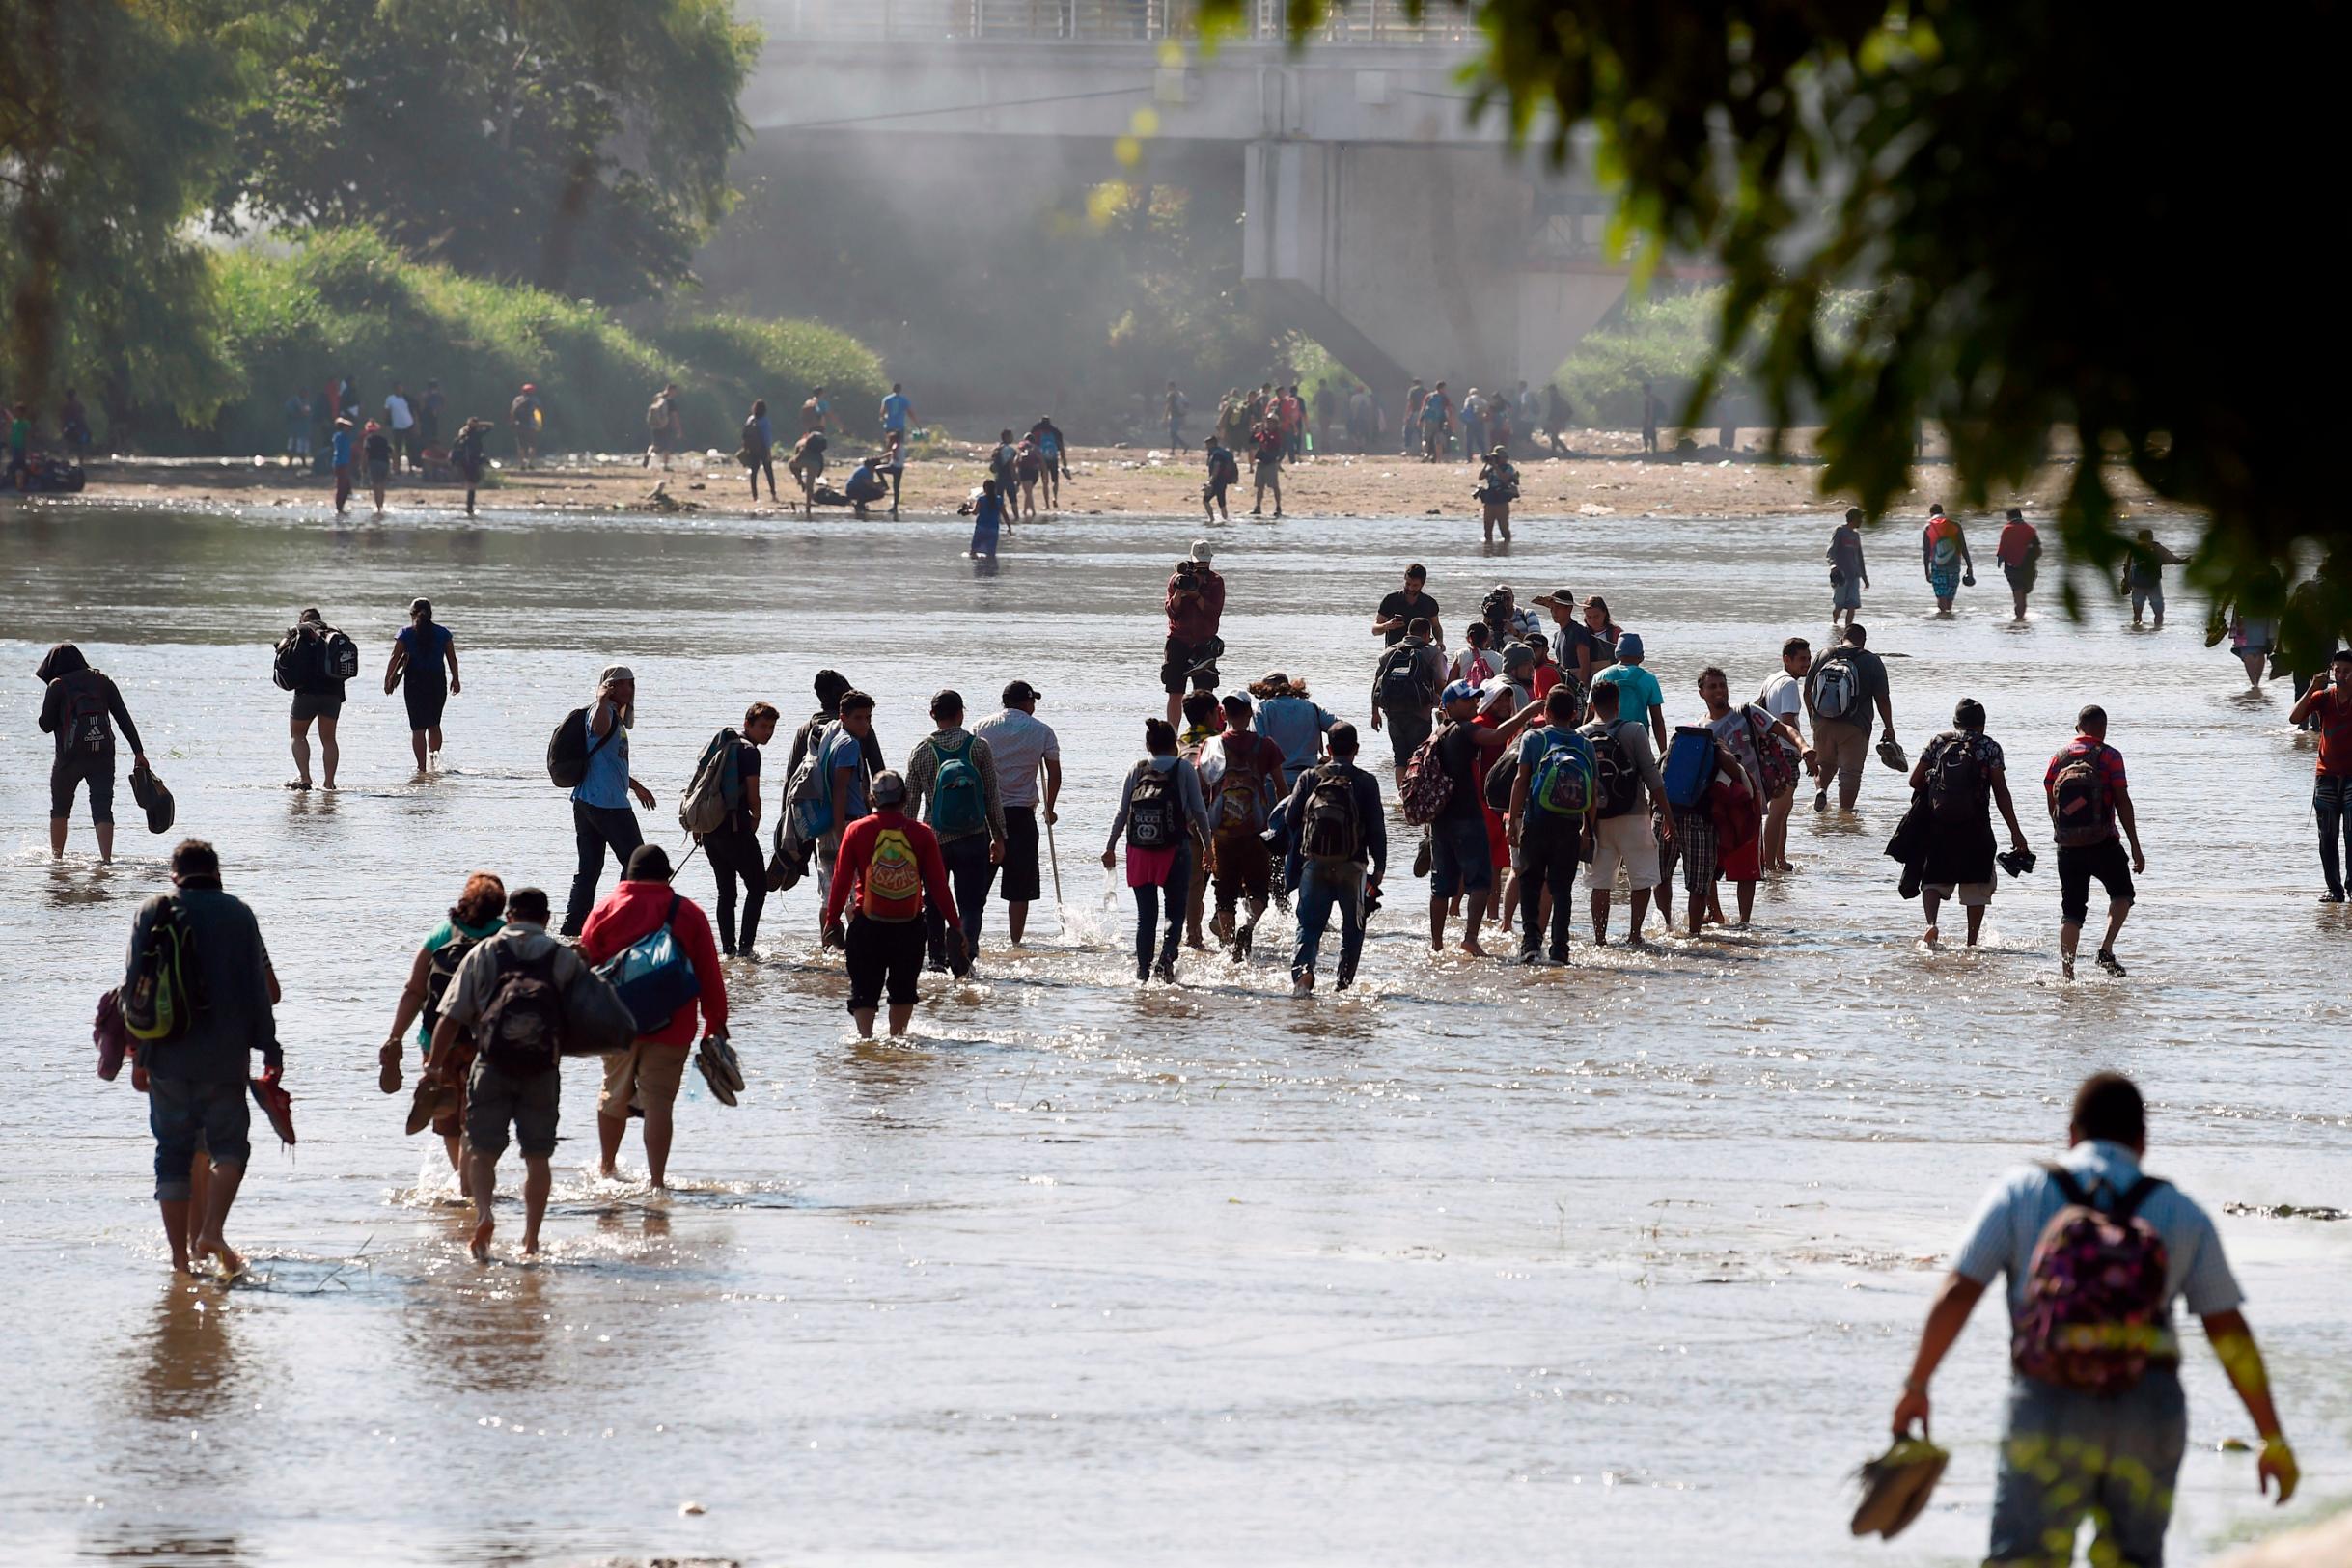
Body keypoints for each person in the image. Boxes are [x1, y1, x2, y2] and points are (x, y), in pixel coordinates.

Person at [1889, 1073, 2299, 1567]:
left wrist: (1917, 1384)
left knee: (2025, 1559)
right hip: (2147, 1409)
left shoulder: (2022, 1191)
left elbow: (1959, 1291)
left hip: (2049, 1401)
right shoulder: (2180, 1211)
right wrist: (2271, 1436)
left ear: (2072, 1134)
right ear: (2142, 1141)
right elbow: (2228, 1330)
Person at [128, 839, 282, 1277]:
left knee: (172, 1153)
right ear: (216, 872)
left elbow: (135, 988)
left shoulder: (152, 911)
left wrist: (137, 1053)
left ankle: (181, 1263)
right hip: (225, 1057)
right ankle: (211, 1230)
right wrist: (270, 1049)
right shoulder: (238, 913)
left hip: (165, 1056)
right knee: (230, 1147)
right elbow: (261, 991)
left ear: (173, 873)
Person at [422, 885, 584, 1260]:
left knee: (481, 1149)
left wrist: (433, 1067)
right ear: (546, 919)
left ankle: (484, 1214)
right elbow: (590, 1015)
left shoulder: (485, 952)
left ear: (508, 917)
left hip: (491, 1063)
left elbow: (450, 1016)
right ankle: (531, 1240)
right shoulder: (561, 957)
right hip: (542, 1068)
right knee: (538, 1156)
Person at [577, 845, 729, 1189]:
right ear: (668, 875)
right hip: (672, 1026)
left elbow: (587, 967)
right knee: (659, 1103)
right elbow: (708, 973)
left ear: (629, 875)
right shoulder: (688, 912)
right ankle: (657, 1182)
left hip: (616, 1026)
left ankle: (607, 1170)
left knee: (612, 1095)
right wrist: (714, 1022)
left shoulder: (605, 908)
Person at [381, 871, 508, 1177]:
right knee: (483, 1113)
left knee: (449, 1117)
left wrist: (395, 1036)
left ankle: (463, 1179)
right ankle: (476, 1178)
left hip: (439, 1041)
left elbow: (414, 990)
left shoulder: (440, 934)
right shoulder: (505, 936)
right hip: (490, 1042)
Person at [822, 770, 961, 1036]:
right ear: (905, 798)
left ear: (871, 798)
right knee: (903, 990)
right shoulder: (922, 834)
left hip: (867, 926)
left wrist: (832, 920)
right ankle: (897, 1040)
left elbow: (840, 883)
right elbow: (939, 887)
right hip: (909, 928)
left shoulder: (856, 830)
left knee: (864, 990)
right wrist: (955, 926)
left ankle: (866, 1041)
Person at [1906, 700, 2031, 947]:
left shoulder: (1938, 742)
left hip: (1940, 821)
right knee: (1976, 883)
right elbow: (2001, 792)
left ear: (1955, 722)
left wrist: (1935, 794)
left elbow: (1914, 780)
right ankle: (1971, 943)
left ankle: (1931, 925)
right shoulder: (1989, 747)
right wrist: (2016, 833)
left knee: (1932, 878)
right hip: (1976, 824)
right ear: (1982, 724)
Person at [1103, 718, 1213, 983]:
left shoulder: (1136, 768)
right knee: (1175, 912)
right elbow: (1198, 810)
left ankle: (1142, 972)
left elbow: (1121, 812)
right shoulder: (1183, 768)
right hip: (1175, 848)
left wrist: (1110, 846)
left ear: (1148, 745)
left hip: (1139, 852)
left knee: (1146, 916)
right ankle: (1165, 960)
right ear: (1174, 745)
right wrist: (1209, 847)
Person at [1699, 666, 1809, 928]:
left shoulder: (1746, 712)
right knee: (1709, 866)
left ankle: (1744, 922)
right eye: (1712, 687)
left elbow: (1783, 729)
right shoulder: (1701, 729)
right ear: (1701, 692)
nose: (1718, 691)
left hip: (1749, 803)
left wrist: (1805, 747)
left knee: (1747, 869)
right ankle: (1715, 914)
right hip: (1716, 806)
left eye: (1722, 685)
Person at [1279, 722, 1385, 994]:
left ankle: (1304, 974)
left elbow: (1290, 818)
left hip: (1315, 863)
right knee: (1352, 929)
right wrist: (1379, 868)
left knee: (1309, 925)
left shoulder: (1310, 777)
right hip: (1353, 865)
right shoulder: (1366, 781)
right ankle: (1343, 985)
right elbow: (1376, 828)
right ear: (1357, 750)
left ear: (1328, 748)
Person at [906, 689, 1007, 973]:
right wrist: (999, 837)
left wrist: (905, 844)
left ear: (932, 715)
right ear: (961, 713)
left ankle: (937, 958)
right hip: (973, 835)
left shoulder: (921, 751)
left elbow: (910, 803)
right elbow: (991, 796)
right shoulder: (979, 747)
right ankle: (966, 952)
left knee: (935, 900)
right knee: (972, 903)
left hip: (932, 838)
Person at [2043, 704, 2144, 979]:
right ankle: (2106, 949)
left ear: (2079, 727)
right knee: (2123, 894)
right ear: (2103, 728)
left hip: (2068, 847)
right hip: (2103, 843)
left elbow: (2051, 797)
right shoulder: (2110, 756)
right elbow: (2122, 800)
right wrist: (2135, 845)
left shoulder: (2059, 757)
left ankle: (2068, 976)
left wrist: (2062, 832)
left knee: (2072, 912)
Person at [561, 666, 657, 937]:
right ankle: (620, 919)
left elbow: (611, 761)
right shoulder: (601, 711)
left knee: (589, 870)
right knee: (639, 861)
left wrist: (636, 786)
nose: (627, 690)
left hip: (588, 801)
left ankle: (572, 930)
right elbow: (597, 728)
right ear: (609, 686)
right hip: (607, 805)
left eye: (630, 685)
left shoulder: (614, 715)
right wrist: (602, 699)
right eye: (621, 685)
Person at [1506, 687, 1597, 964]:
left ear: (1546, 712)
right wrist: (1588, 830)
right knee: (1562, 889)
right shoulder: (1585, 745)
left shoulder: (1534, 738)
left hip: (1536, 822)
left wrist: (1512, 820)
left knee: (1531, 883)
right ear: (1574, 714)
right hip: (1569, 826)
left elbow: (1521, 781)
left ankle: (1531, 944)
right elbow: (1592, 792)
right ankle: (1560, 949)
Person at [37, 642, 147, 863]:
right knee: (102, 806)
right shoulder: (102, 681)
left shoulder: (57, 685)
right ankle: (106, 859)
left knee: (60, 808)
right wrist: (139, 752)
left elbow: (46, 725)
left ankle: (57, 860)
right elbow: (123, 717)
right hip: (103, 755)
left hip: (69, 758)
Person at [1198, 694, 1288, 959]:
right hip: (1256, 831)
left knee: (1224, 894)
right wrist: (1284, 825)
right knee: (1259, 890)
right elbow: (1282, 790)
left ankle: (1228, 951)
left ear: (1223, 715)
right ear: (1250, 714)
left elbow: (1203, 788)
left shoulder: (1211, 745)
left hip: (1222, 834)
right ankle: (1247, 927)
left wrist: (1203, 836)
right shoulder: (1266, 746)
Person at [1582, 679, 1670, 946]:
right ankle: (1634, 935)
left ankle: (1600, 939)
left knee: (1600, 882)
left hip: (1596, 819)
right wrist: (1667, 814)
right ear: (1618, 702)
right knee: (1641, 877)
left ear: (1593, 704)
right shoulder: (1634, 730)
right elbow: (1651, 775)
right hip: (1634, 814)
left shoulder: (1581, 734)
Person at [973, 681, 1062, 945]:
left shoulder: (981, 727)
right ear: (1026, 702)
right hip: (1021, 816)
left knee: (978, 886)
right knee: (1019, 889)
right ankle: (1015, 943)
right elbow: (1054, 774)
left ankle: (971, 937)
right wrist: (1049, 808)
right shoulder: (1042, 731)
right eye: (1033, 701)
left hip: (986, 816)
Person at [703, 702, 779, 959]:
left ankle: (728, 951)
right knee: (758, 886)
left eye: (772, 727)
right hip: (735, 829)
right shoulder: (749, 753)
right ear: (747, 724)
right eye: (763, 726)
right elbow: (754, 795)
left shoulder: (724, 746)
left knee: (726, 890)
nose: (767, 732)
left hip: (710, 829)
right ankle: (745, 949)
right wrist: (756, 817)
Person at [1805, 623, 1896, 812]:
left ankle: (1821, 790)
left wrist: (1813, 718)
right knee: (1850, 773)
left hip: (1822, 722)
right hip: (1855, 726)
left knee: (1825, 764)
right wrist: (1889, 727)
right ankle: (1845, 815)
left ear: (1841, 639)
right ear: (1863, 641)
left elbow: (1807, 691)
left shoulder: (1824, 654)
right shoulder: (1872, 661)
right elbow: (1882, 699)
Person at [2287, 648, 2352, 900]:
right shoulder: (2323, 697)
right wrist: (2311, 687)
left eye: (2347, 671)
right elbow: (2294, 718)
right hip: (2326, 776)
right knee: (2327, 836)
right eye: (2338, 670)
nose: (2341, 675)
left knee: (2351, 834)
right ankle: (2333, 889)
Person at [383, 597, 460, 774]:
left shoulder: (405, 634)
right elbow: (452, 659)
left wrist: (388, 680)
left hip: (414, 683)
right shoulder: (443, 633)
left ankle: (421, 768)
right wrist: (455, 679)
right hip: (437, 682)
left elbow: (394, 658)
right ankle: (434, 762)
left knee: (417, 728)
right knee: (434, 724)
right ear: (431, 614)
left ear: (411, 614)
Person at [1756, 637, 1812, 873]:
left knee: (1784, 810)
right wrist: (1805, 750)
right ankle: (1768, 865)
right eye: (1801, 659)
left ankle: (1779, 859)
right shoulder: (1789, 684)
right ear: (1786, 659)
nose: (1806, 664)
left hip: (1770, 751)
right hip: (1784, 753)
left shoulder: (1772, 679)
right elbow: (1788, 722)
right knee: (1778, 812)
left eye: (1808, 659)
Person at [1371, 616, 1448, 770]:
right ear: (1427, 634)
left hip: (1392, 711)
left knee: (1399, 758)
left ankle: (1401, 793)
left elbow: (1377, 683)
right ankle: (1413, 793)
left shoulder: (1390, 651)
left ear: (1408, 632)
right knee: (1419, 756)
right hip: (1420, 712)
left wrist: (1375, 713)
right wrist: (1447, 709)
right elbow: (1440, 685)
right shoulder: (1432, 653)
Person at [1162, 540, 1226, 726]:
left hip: (1204, 644)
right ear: (1191, 560)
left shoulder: (1215, 582)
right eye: (1199, 562)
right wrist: (1180, 594)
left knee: (1205, 695)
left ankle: (1204, 737)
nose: (1202, 566)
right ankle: (1173, 737)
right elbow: (1172, 612)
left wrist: (1197, 595)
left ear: (1210, 560)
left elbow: (1213, 613)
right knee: (1175, 692)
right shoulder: (1177, 579)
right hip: (1178, 641)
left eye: (1205, 562)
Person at [285, 607, 346, 791]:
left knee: (298, 735)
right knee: (329, 740)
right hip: (333, 693)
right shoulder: (334, 633)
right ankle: (329, 783)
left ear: (301, 619)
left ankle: (305, 779)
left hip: (306, 693)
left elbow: (281, 651)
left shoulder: (297, 632)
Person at [1252, 672, 1336, 788]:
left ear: (1263, 689)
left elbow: (1256, 747)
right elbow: (1340, 728)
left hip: (1274, 782)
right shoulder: (1312, 708)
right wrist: (1333, 759)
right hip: (1310, 781)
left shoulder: (1261, 710)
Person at [1591, 633, 1667, 755]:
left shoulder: (1601, 676)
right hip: (1637, 739)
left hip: (1604, 741)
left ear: (1616, 654)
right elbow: (1657, 720)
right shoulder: (1649, 679)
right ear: (1641, 657)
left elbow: (1590, 713)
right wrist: (1664, 753)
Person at [2122, 527, 2187, 628]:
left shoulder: (2133, 548)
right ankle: (2158, 628)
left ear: (2139, 538)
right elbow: (2172, 559)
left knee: (2137, 612)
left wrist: (2126, 581)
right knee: (2158, 612)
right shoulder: (2157, 547)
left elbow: (2126, 566)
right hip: (2154, 584)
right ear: (2151, 537)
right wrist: (2184, 561)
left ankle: (2137, 628)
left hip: (2137, 584)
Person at [1373, 563, 1443, 648]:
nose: (1410, 588)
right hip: (1395, 654)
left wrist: (1440, 641)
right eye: (1408, 584)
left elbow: (1436, 626)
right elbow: (1374, 630)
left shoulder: (1429, 603)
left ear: (1422, 584)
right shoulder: (1390, 600)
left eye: (1415, 585)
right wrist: (1387, 625)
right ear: (1404, 579)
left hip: (1421, 654)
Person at [1921, 503, 1974, 616]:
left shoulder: (1928, 527)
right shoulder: (1955, 525)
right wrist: (1969, 566)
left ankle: (1943, 619)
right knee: (1949, 596)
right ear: (1943, 513)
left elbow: (1926, 552)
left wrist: (1927, 571)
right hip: (1954, 564)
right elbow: (1963, 546)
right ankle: (1948, 618)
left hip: (1937, 565)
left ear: (1931, 514)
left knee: (1941, 595)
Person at [1995, 507, 2041, 621]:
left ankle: (2019, 619)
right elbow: (2038, 549)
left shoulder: (2007, 529)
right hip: (2028, 567)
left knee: (2018, 593)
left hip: (2012, 567)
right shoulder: (2030, 529)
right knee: (2023, 593)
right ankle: (2020, 620)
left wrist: (1999, 561)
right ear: (2020, 516)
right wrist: (2033, 559)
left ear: (2009, 517)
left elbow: (2002, 548)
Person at [1828, 508, 1869, 629]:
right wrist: (1832, 565)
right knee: (1839, 605)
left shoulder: (1856, 535)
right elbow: (1831, 551)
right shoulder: (1840, 531)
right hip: (1841, 575)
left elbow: (1860, 558)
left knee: (1852, 605)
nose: (1861, 521)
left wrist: (1864, 578)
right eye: (1860, 519)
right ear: (1854, 519)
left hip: (1854, 575)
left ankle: (1848, 629)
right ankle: (1834, 625)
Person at [1477, 445, 1519, 543]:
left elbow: (1504, 478)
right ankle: (1489, 545)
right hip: (1490, 500)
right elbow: (1481, 477)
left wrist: (1496, 467)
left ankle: (1506, 546)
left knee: (1503, 528)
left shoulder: (1508, 468)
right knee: (1487, 528)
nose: (1497, 459)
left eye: (1498, 457)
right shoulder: (1491, 468)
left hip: (1501, 500)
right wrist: (1487, 464)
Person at [451, 416, 489, 516]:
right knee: (472, 485)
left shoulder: (467, 433)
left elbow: (490, 427)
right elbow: (490, 426)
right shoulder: (469, 434)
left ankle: (469, 508)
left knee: (471, 485)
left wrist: (473, 425)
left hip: (469, 461)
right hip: (470, 462)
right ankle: (469, 509)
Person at [1248, 418, 1286, 517]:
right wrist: (1254, 431)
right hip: (1262, 462)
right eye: (1268, 422)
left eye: (1271, 422)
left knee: (1274, 486)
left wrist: (1263, 432)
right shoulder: (1264, 433)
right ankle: (1258, 506)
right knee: (1260, 486)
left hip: (1271, 463)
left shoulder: (1277, 434)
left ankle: (1278, 506)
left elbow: (1273, 442)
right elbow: (1252, 440)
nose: (1269, 424)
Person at [743, 399, 778, 502]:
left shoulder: (750, 419)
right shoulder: (765, 421)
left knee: (754, 472)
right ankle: (773, 494)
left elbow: (745, 434)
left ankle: (755, 496)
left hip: (752, 449)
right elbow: (766, 437)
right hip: (762, 448)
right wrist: (768, 450)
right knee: (768, 471)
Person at [789, 428, 828, 515]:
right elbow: (821, 459)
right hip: (815, 464)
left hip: (803, 460)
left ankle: (800, 482)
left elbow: (796, 457)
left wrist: (798, 477)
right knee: (810, 485)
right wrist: (819, 472)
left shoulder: (800, 443)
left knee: (791, 464)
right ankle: (808, 507)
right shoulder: (818, 448)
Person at [1202, 433, 1238, 521]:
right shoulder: (1220, 452)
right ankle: (1225, 520)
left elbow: (1216, 468)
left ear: (1212, 444)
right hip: (1223, 481)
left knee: (1206, 500)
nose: (1206, 447)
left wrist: (1210, 481)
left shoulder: (1216, 454)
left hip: (1216, 481)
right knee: (1221, 502)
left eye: (1207, 445)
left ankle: (1212, 519)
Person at [968, 477, 1007, 557]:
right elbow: (1005, 514)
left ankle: (979, 567)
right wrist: (1009, 527)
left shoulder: (981, 499)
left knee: (973, 552)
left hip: (981, 528)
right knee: (991, 555)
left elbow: (975, 512)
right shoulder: (999, 500)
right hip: (993, 530)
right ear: (995, 489)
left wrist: (969, 510)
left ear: (984, 489)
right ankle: (991, 568)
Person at [844, 453, 889, 520]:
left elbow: (870, 484)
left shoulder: (868, 470)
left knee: (874, 492)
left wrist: (880, 485)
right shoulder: (865, 471)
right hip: (852, 490)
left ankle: (860, 504)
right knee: (878, 493)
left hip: (857, 489)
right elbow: (870, 485)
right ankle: (859, 505)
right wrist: (880, 487)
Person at [362, 420, 394, 513]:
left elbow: (365, 454)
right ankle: (382, 505)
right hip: (385, 463)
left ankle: (378, 508)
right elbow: (391, 452)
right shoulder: (384, 440)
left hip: (374, 463)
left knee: (376, 486)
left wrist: (363, 466)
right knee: (382, 486)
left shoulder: (368, 440)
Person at [384, 383, 417, 471]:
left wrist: (415, 424)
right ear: (394, 389)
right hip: (397, 426)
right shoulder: (390, 399)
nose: (400, 390)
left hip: (408, 425)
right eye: (398, 388)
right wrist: (387, 423)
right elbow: (387, 412)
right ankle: (396, 468)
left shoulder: (407, 398)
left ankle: (410, 468)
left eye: (401, 388)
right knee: (397, 448)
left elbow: (413, 411)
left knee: (410, 447)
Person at [508, 383, 540, 469]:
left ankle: (522, 464)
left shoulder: (517, 400)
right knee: (532, 445)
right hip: (531, 425)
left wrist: (512, 422)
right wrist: (538, 424)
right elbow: (538, 412)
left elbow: (512, 411)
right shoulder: (535, 400)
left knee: (521, 445)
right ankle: (530, 463)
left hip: (519, 425)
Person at [1419, 380, 1452, 461]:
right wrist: (1449, 421)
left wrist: (1420, 419)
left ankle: (1426, 453)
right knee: (1438, 440)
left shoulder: (1428, 396)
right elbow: (1448, 410)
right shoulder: (1444, 397)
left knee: (1425, 439)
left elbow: (1423, 408)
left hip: (1428, 420)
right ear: (1442, 388)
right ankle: (1439, 459)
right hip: (1439, 421)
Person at [329, 415, 355, 516]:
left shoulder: (343, 436)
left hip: (344, 463)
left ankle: (341, 507)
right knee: (341, 486)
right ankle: (339, 507)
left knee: (346, 486)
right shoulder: (340, 436)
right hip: (341, 463)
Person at [881, 382, 913, 446]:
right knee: (900, 444)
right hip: (900, 426)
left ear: (892, 389)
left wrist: (884, 418)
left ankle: (888, 452)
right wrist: (917, 425)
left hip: (889, 426)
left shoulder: (887, 399)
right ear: (900, 390)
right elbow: (911, 413)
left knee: (888, 443)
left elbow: (882, 413)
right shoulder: (904, 400)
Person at [283, 389, 310, 462]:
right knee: (292, 446)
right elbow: (289, 411)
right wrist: (298, 414)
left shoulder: (305, 401)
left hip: (302, 429)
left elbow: (307, 412)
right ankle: (290, 463)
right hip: (294, 428)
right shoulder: (294, 401)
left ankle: (303, 462)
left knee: (302, 447)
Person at [420, 379, 445, 454]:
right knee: (428, 435)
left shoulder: (438, 395)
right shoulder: (427, 394)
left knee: (434, 435)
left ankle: (434, 450)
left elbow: (443, 403)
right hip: (427, 416)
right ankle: (427, 450)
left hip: (435, 416)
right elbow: (422, 404)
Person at [1165, 380, 1188, 448]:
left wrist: (1165, 417)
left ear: (1170, 386)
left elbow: (1168, 406)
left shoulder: (1170, 395)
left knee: (1172, 434)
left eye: (1168, 386)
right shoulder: (1180, 394)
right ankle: (1173, 450)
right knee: (1174, 434)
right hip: (1180, 416)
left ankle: (1184, 445)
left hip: (1174, 416)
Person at [1640, 380, 1659, 455]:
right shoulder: (1650, 398)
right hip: (1650, 419)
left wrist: (1649, 420)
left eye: (1644, 389)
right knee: (1650, 434)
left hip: (1650, 420)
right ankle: (1652, 450)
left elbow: (1651, 410)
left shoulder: (1650, 399)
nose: (1643, 391)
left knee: (1648, 434)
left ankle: (1649, 450)